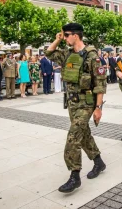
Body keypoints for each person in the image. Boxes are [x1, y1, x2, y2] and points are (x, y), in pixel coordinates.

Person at [46, 23, 107, 193]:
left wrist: (98, 108)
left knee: (73, 137)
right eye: (63, 35)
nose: (64, 38)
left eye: (66, 35)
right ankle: (98, 162)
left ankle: (75, 176)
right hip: (72, 103)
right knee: (84, 134)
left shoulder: (92, 56)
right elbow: (48, 53)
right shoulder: (67, 54)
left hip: (86, 103)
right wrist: (57, 40)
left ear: (76, 35)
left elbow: (100, 84)